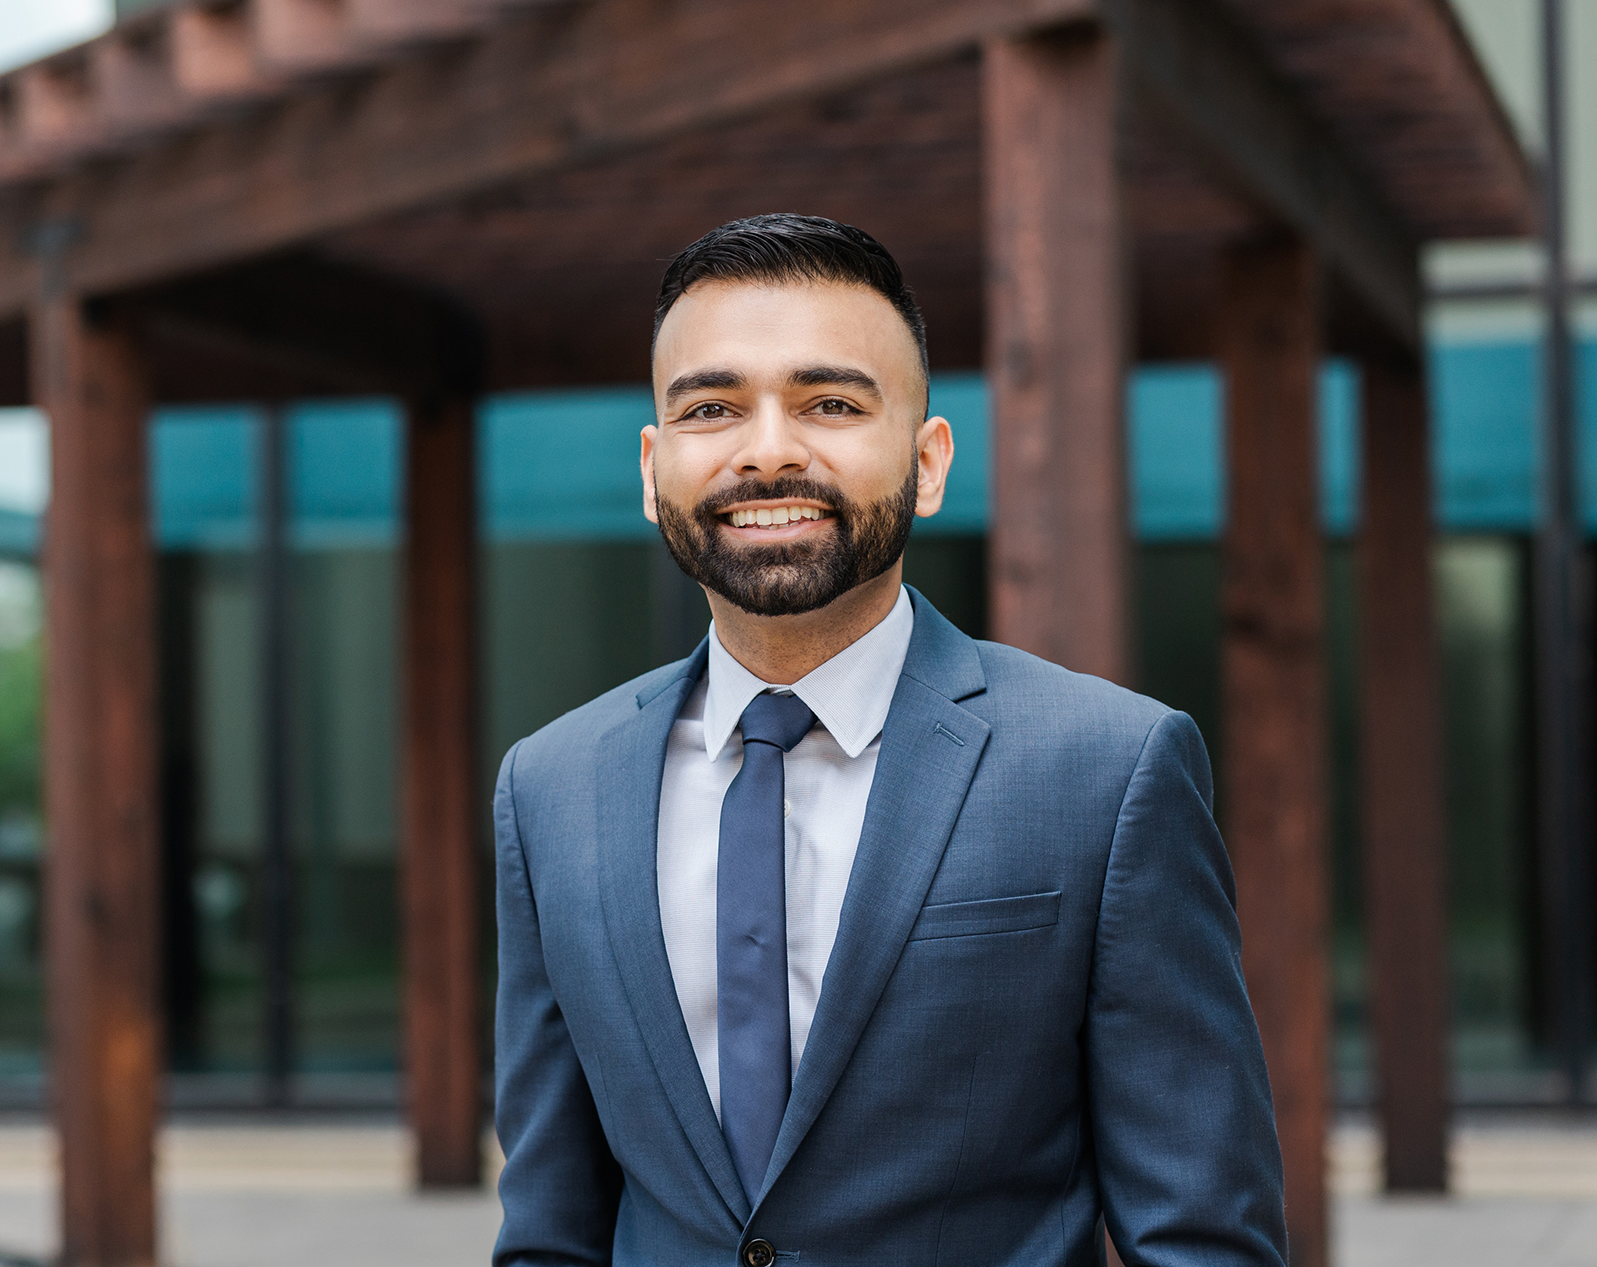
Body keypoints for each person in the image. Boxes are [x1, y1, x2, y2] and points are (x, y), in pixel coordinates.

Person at [490, 213, 1285, 1267]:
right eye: (711, 407)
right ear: (652, 467)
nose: (766, 449)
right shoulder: (548, 788)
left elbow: (1202, 1241)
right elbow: (549, 1230)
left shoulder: (1108, 769)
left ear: (928, 458)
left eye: (828, 403)